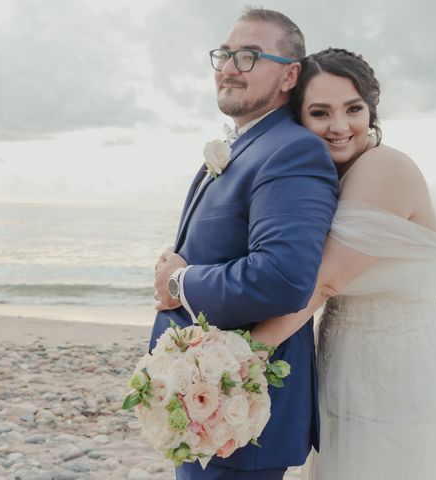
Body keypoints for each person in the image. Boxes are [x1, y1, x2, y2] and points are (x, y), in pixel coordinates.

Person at [150, 8, 339, 480]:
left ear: (289, 75)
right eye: (226, 54)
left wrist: (178, 281)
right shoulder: (243, 147)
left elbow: (281, 278)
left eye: (250, 56)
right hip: (200, 410)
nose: (230, 66)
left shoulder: (293, 151)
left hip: (240, 418)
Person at [251, 48, 436, 479]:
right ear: (299, 117)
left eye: (353, 109)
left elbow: (325, 282)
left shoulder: (384, 168)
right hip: (344, 362)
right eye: (320, 113)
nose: (339, 127)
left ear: (371, 109)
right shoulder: (328, 177)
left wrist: (241, 360)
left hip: (397, 371)